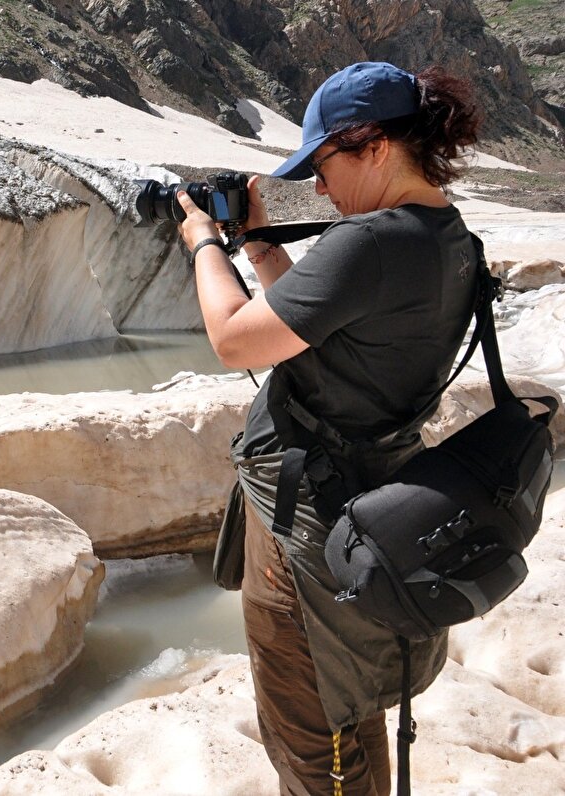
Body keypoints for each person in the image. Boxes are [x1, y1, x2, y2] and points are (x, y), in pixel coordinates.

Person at [176, 62, 483, 795]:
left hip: (309, 530)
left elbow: (235, 340)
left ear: (373, 146)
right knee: (350, 702)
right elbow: (323, 331)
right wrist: (259, 244)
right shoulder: (445, 235)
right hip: (370, 506)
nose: (318, 188)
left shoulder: (372, 242)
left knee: (313, 737)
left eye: (323, 166)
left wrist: (203, 242)